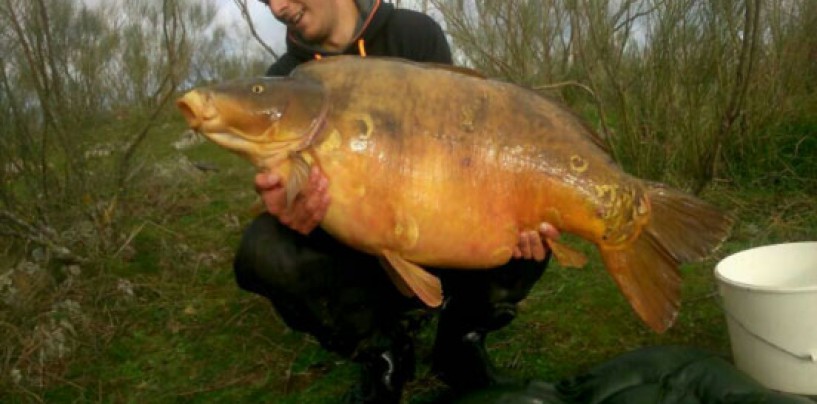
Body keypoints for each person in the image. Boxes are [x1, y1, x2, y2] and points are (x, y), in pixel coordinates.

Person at [235, 0, 559, 402]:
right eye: (266, 1)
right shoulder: (285, 80)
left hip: (441, 222)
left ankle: (460, 339)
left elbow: (468, 142)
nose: (279, 7)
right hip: (355, 250)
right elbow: (281, 187)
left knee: (531, 230)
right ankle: (382, 352)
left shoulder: (415, 34)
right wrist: (288, 208)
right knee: (263, 249)